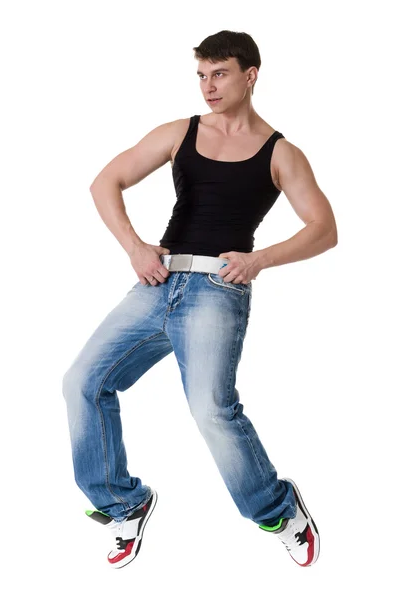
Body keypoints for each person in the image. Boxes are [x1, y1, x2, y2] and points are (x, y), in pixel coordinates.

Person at [62, 29, 337, 570]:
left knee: (212, 410)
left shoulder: (281, 153)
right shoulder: (180, 132)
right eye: (201, 75)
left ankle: (279, 510)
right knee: (83, 382)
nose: (208, 87)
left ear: (249, 75)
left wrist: (259, 260)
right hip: (158, 281)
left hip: (217, 289)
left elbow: (324, 229)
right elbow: (105, 181)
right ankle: (123, 503)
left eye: (220, 74)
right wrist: (136, 247)